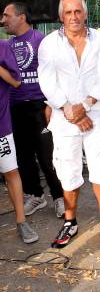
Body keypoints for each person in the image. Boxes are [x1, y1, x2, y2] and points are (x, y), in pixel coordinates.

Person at [38, 0, 100, 248]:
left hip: (94, 114)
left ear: (85, 13)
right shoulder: (49, 44)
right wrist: (68, 109)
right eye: (68, 12)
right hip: (64, 118)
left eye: (78, 11)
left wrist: (84, 107)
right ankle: (70, 222)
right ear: (61, 16)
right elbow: (47, 82)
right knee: (67, 170)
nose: (73, 17)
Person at [2, 2, 65, 218]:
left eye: (6, 15)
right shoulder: (7, 45)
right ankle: (34, 195)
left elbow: (57, 73)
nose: (3, 20)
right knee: (24, 157)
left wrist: (50, 103)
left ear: (21, 17)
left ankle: (59, 197)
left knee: (48, 157)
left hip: (40, 106)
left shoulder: (41, 41)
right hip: (15, 107)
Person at [0, 38, 39, 243]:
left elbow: (15, 81)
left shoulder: (3, 46)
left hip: (1, 127)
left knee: (11, 172)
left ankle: (21, 221)